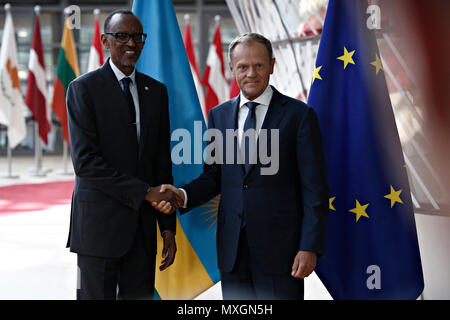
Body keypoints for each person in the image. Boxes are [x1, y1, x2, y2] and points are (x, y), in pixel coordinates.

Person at [153, 33, 329, 300]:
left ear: (271, 65)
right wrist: (181, 195)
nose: (251, 74)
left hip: (282, 255)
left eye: (258, 65)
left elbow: (314, 188)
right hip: (233, 253)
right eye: (243, 67)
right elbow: (214, 176)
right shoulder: (219, 115)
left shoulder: (299, 116)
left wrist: (309, 247)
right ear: (231, 68)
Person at [66, 10, 182, 300]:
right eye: (121, 36)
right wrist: (146, 192)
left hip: (142, 235)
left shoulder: (157, 92)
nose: (131, 43)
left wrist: (168, 228)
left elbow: (160, 163)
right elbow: (86, 164)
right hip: (98, 231)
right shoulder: (82, 89)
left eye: (137, 37)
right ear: (105, 41)